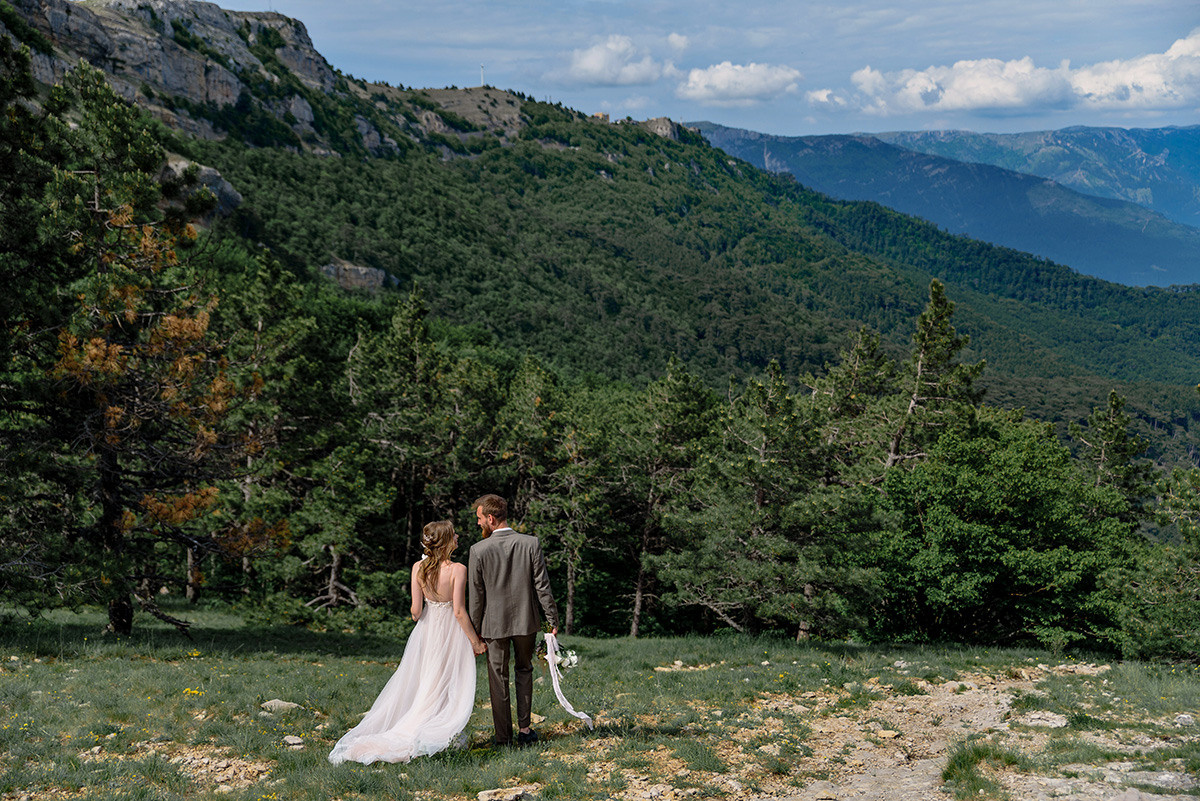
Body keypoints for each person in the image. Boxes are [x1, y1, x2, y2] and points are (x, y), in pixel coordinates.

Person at [328, 520, 487, 765]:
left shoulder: (418, 568)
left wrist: (425, 613)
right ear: (445, 542)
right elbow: (458, 611)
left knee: (427, 680)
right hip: (450, 632)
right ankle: (435, 730)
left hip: (427, 629)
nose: (458, 537)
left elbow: (415, 611)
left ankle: (427, 725)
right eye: (454, 535)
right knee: (446, 681)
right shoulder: (457, 569)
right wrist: (475, 642)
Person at [468, 494, 560, 747]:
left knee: (498, 677)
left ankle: (503, 738)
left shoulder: (478, 550)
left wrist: (474, 633)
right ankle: (525, 730)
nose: (478, 524)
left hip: (493, 625)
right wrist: (551, 618)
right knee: (524, 670)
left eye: (479, 519)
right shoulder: (530, 543)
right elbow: (542, 585)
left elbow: (476, 598)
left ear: (490, 518)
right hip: (525, 621)